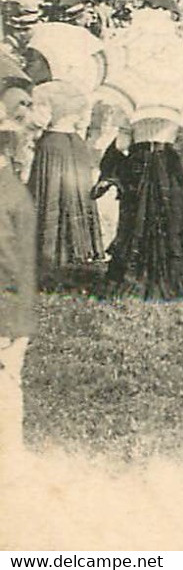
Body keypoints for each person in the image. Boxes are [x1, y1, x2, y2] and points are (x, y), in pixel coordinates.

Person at [97, 110, 183, 299]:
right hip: (167, 163)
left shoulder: (132, 110)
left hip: (139, 163)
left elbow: (122, 144)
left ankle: (134, 274)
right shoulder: (177, 108)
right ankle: (172, 276)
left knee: (137, 215)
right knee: (170, 215)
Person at [28, 81, 102, 275]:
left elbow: (38, 122)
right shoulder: (79, 92)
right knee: (74, 194)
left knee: (50, 194)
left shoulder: (43, 91)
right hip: (76, 144)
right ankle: (75, 250)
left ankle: (47, 253)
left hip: (53, 143)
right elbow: (82, 123)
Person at [0, 128, 38, 473]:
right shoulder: (14, 191)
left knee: (5, 386)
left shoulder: (5, 197)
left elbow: (9, 264)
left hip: (5, 314)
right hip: (15, 310)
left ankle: (10, 456)